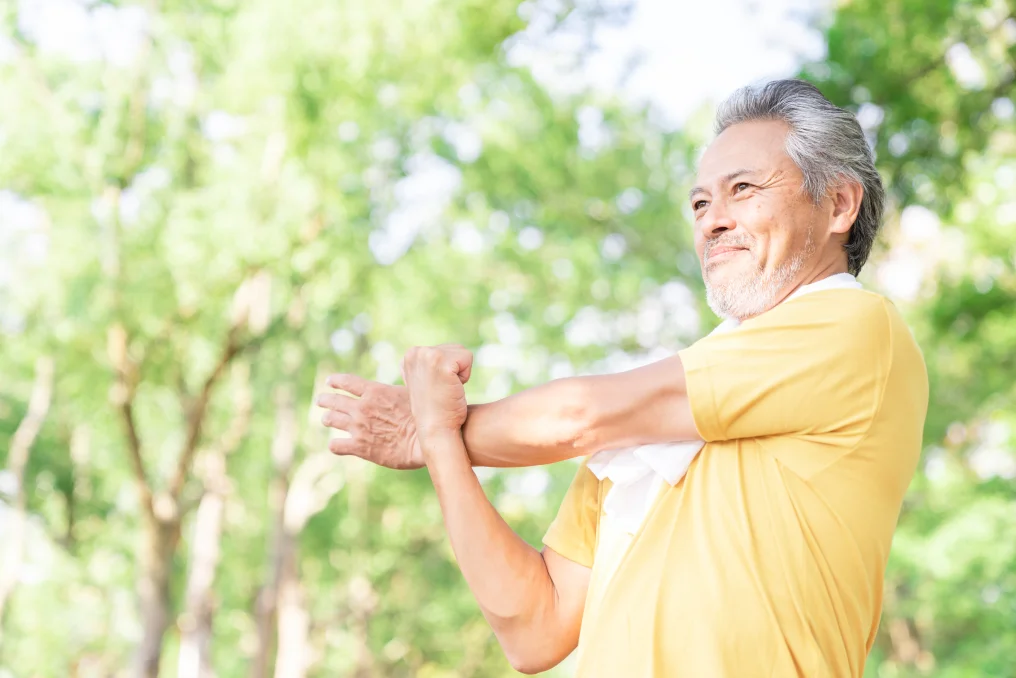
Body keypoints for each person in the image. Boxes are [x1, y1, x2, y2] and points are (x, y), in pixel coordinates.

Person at [315, 79, 929, 677]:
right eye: (700, 202)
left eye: (743, 189)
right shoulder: (650, 434)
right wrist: (442, 446)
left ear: (839, 205)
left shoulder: (854, 325)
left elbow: (581, 415)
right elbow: (534, 629)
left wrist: (432, 428)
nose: (712, 221)